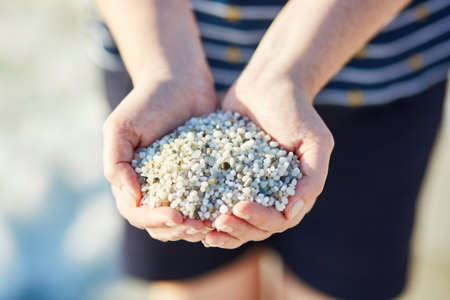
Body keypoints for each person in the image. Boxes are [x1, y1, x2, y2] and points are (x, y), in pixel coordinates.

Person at [93, 0, 450, 299]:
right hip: (151, 44)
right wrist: (163, 69)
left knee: (337, 286)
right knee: (197, 287)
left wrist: (287, 72)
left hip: (373, 62)